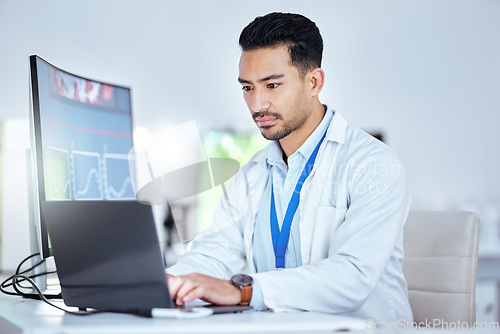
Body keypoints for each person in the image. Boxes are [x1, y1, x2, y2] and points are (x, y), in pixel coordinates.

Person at [167, 12, 412, 323]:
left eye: (272, 85)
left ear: (314, 82)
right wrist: (155, 282)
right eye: (247, 88)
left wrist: (246, 292)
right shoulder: (252, 174)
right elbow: (213, 255)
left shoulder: (374, 165)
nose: (257, 105)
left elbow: (351, 276)